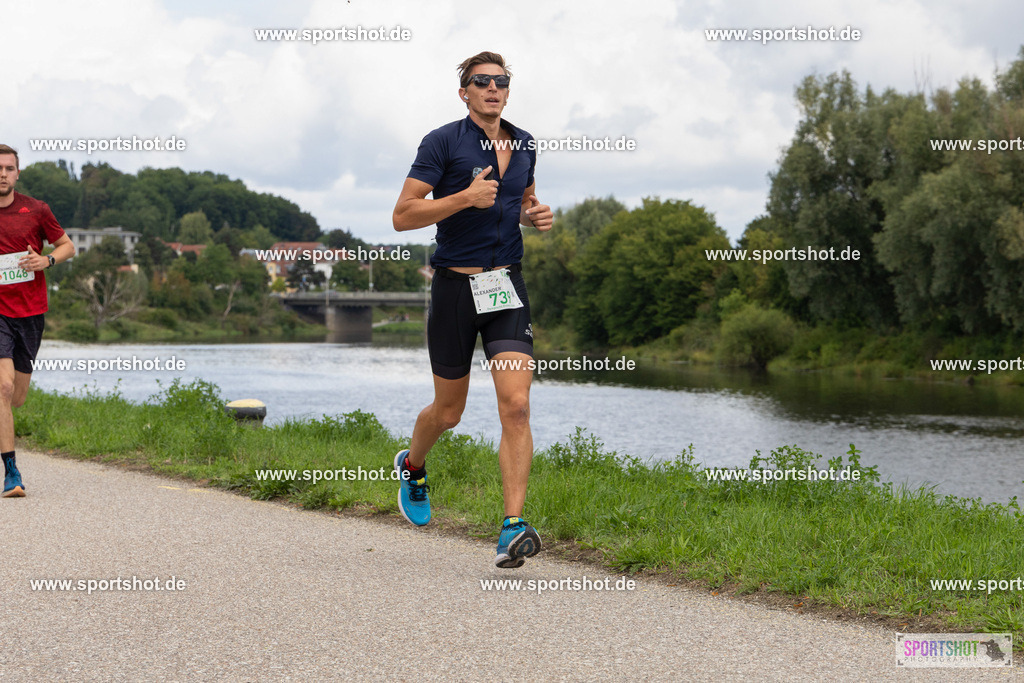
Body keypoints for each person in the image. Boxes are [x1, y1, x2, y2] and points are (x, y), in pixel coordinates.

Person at [392, 52, 554, 568]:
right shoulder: (442, 142)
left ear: (509, 90)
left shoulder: (525, 143)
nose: (492, 89)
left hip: (506, 287)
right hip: (455, 290)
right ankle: (413, 466)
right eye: (481, 82)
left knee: (517, 405)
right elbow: (403, 216)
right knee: (449, 412)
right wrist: (463, 198)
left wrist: (534, 214)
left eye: (500, 82)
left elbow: (521, 200)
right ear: (464, 92)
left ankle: (511, 527)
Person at [0, 144, 76, 497]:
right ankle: (12, 472)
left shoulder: (36, 210)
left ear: (17, 173)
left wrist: (46, 262)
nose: (2, 174)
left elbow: (67, 246)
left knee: (16, 397)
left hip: (30, 311)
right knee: (1, 387)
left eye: (8, 168)